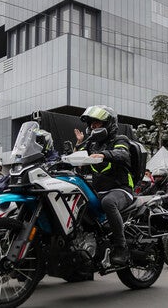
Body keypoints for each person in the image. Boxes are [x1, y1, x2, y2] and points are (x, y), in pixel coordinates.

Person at [74, 105, 132, 266]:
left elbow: (123, 154)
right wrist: (78, 144)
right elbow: (77, 157)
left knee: (108, 202)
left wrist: (104, 154)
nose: (93, 126)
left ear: (108, 124)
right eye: (91, 123)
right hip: (98, 191)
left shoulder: (119, 140)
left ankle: (121, 247)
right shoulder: (92, 144)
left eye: (97, 123)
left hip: (121, 189)